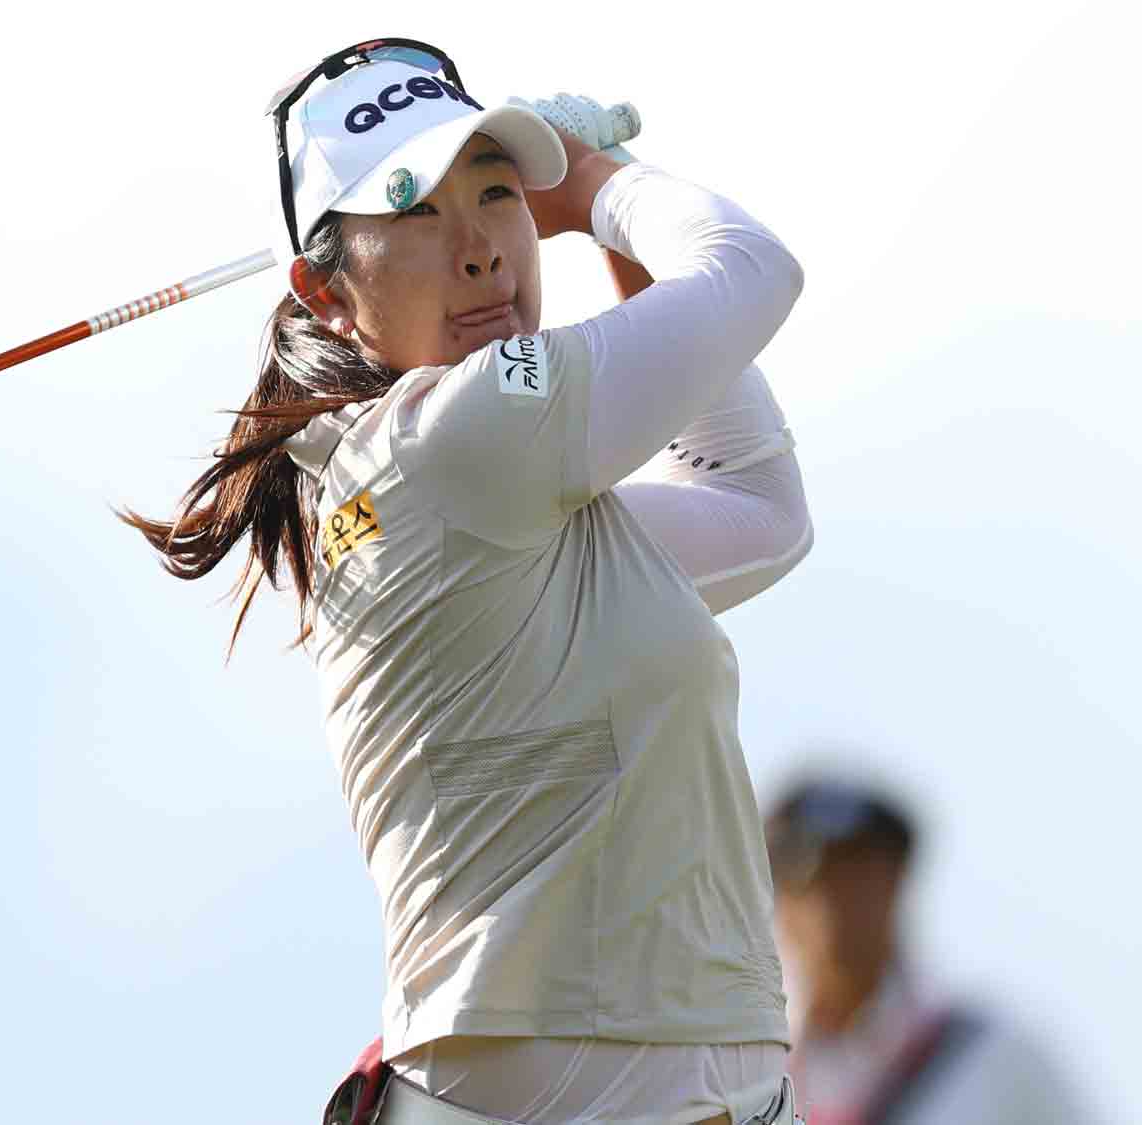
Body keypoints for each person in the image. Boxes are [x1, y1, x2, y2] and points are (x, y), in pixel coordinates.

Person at [123, 38, 812, 1124]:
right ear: (324, 290)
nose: (483, 249)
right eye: (414, 211)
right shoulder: (459, 438)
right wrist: (597, 186)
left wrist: (599, 231)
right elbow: (750, 270)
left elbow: (756, 507)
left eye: (496, 195)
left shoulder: (493, 491)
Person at [766, 779, 1088, 1124]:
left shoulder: (1000, 1061)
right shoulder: (740, 1079)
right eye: (809, 876)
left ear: (896, 884)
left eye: (857, 875)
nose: (832, 905)